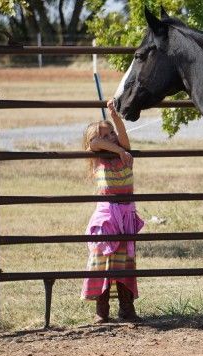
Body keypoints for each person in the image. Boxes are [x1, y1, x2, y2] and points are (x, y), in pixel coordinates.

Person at [80, 99, 144, 323]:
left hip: (125, 214)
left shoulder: (125, 152)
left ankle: (126, 308)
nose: (109, 139)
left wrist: (115, 117)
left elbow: (121, 137)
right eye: (104, 136)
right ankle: (102, 308)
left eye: (111, 134)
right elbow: (95, 142)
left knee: (124, 261)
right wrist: (115, 148)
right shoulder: (99, 156)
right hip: (106, 215)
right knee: (102, 260)